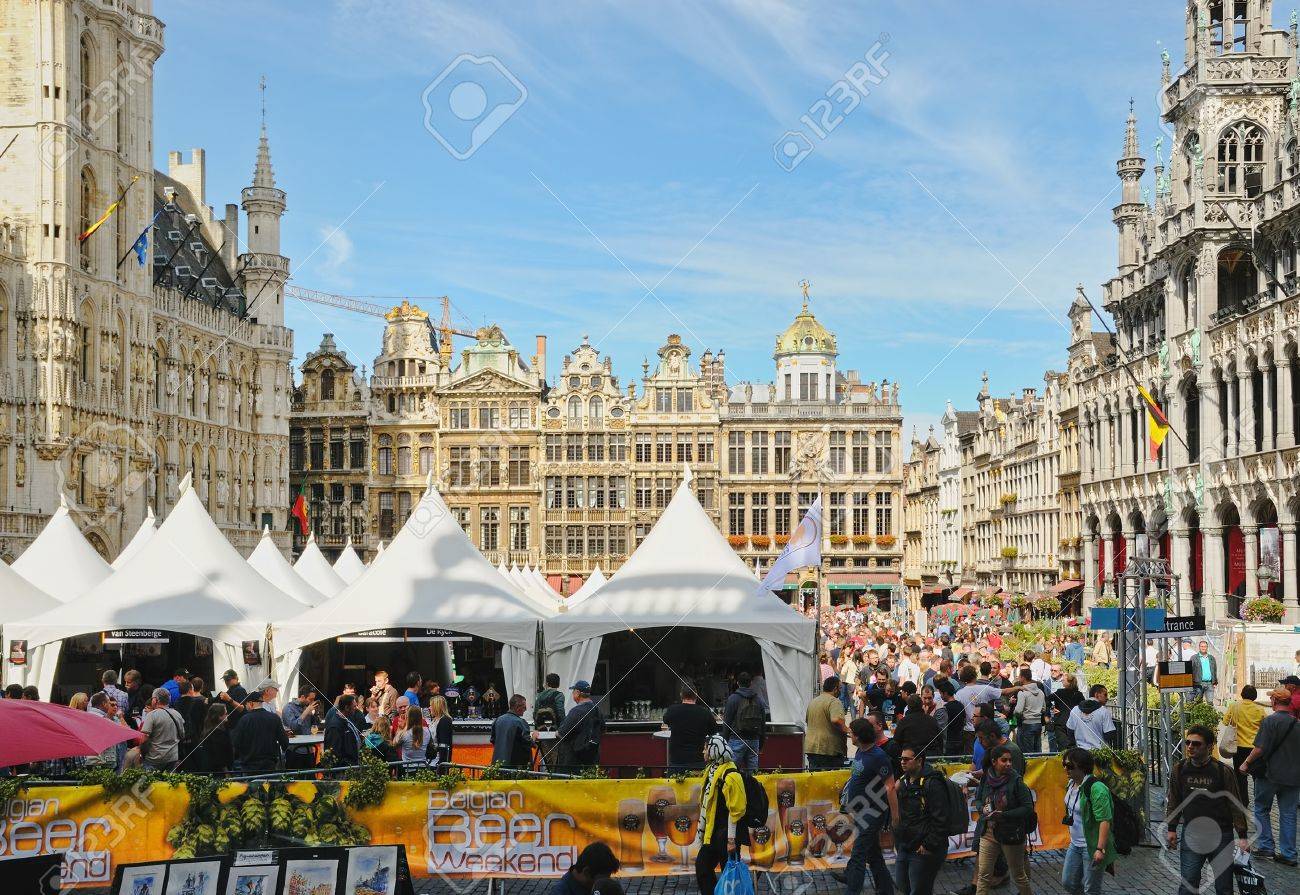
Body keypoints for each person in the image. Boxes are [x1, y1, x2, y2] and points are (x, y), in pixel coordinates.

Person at [1167, 724, 1249, 894]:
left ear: (1210, 746)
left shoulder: (1222, 771)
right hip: (1192, 834)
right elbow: (1174, 799)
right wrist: (1171, 828)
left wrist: (1242, 836)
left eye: (1196, 744)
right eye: (1188, 742)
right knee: (1188, 883)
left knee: (1224, 886)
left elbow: (1235, 804)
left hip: (1222, 835)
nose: (1190, 747)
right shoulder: (1180, 769)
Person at [1238, 686, 1300, 866]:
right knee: (1288, 814)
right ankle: (1289, 853)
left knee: (1261, 809)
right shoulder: (1297, 724)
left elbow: (1260, 748)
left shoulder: (1270, 722)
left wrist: (1246, 762)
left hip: (1269, 775)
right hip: (1293, 777)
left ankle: (1266, 846)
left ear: (1274, 701)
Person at [842, 718, 897, 895]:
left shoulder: (878, 757)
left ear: (858, 736)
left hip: (872, 812)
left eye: (851, 732)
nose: (849, 734)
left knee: (858, 856)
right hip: (860, 812)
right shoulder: (860, 751)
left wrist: (895, 816)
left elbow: (890, 786)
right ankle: (886, 890)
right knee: (874, 856)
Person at [972, 745, 1034, 895]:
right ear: (994, 762)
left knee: (1019, 876)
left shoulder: (1016, 781)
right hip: (988, 832)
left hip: (1010, 833)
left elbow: (1027, 808)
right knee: (984, 875)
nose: (1008, 764)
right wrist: (982, 809)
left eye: (1010, 760)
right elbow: (979, 799)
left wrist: (1004, 815)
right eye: (1004, 760)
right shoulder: (986, 778)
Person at [695, 735, 748, 895]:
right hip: (712, 833)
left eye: (705, 748)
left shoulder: (731, 775)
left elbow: (736, 810)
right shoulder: (712, 770)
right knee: (702, 868)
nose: (703, 751)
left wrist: (731, 840)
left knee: (730, 876)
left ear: (714, 750)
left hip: (726, 835)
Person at [894, 746, 950, 895]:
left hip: (923, 849)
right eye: (901, 759)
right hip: (905, 845)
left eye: (907, 759)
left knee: (919, 891)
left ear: (919, 761)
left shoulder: (933, 783)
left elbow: (941, 819)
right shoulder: (904, 781)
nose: (902, 762)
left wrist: (928, 845)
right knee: (902, 886)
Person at [1060, 747, 1116, 895]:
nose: (1066, 769)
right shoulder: (1071, 784)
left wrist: (1100, 849)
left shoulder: (1097, 789)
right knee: (1068, 882)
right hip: (1075, 844)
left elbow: (1104, 820)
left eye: (1070, 766)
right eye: (1064, 765)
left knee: (1091, 889)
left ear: (1082, 767)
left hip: (1091, 846)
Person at [1221, 685, 1267, 802]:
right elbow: (1266, 726)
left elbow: (1225, 721)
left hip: (1239, 747)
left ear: (1242, 694)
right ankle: (1259, 800)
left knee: (1240, 776)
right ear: (1255, 696)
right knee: (1257, 776)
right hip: (1255, 748)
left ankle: (1243, 801)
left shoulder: (1234, 706)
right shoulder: (1259, 710)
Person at [662, 684, 717, 773]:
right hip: (698, 760)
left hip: (677, 760)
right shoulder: (705, 712)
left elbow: (666, 720)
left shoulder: (672, 710)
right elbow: (713, 732)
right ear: (696, 695)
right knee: (697, 787)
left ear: (681, 695)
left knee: (675, 786)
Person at [231, 688, 289, 772]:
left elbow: (236, 742)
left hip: (249, 766)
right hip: (270, 765)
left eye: (246, 704)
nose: (245, 707)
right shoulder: (274, 718)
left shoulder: (244, 720)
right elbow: (284, 742)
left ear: (250, 703)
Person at [722, 671, 767, 771]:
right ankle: (752, 787)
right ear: (750, 683)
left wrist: (724, 742)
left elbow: (727, 723)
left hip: (736, 738)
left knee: (732, 771)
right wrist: (761, 743)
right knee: (753, 773)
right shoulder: (758, 700)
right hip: (754, 740)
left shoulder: (733, 699)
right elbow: (763, 724)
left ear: (737, 683)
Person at [555, 680, 602, 769]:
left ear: (578, 693)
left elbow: (561, 734)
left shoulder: (576, 711)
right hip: (592, 758)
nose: (572, 694)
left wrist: (555, 732)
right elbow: (603, 730)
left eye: (573, 691)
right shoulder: (598, 710)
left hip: (574, 761)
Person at [805, 676, 849, 770]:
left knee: (816, 779)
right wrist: (848, 730)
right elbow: (836, 719)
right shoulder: (834, 702)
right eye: (840, 688)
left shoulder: (814, 701)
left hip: (812, 748)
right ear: (835, 689)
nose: (841, 691)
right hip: (828, 750)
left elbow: (808, 721)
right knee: (830, 781)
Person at [137, 688, 186, 770]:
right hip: (172, 758)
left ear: (155, 700)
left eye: (152, 698)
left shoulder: (152, 715)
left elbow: (144, 738)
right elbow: (182, 735)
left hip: (154, 759)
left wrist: (141, 754)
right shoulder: (177, 714)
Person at [550, 842, 620, 895]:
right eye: (600, 880)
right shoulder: (560, 892)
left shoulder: (604, 889)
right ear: (586, 872)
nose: (605, 883)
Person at [491, 695, 537, 769]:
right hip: (515, 767)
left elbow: (493, 740)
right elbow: (527, 743)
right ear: (517, 707)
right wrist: (534, 737)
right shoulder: (520, 722)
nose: (525, 709)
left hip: (497, 764)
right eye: (524, 707)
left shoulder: (498, 720)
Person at [1066, 685, 1116, 750]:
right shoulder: (1103, 711)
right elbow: (1110, 734)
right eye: (1105, 695)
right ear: (1097, 694)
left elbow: (1070, 731)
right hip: (1099, 753)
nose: (1107, 698)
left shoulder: (1075, 710)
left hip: (1080, 752)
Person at [893, 694, 941, 760]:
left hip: (911, 758)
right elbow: (940, 739)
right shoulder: (932, 720)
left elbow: (896, 740)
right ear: (922, 705)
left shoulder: (904, 721)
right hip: (931, 757)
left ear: (908, 706)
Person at [189, 703, 234, 773]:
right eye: (225, 713)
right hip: (219, 771)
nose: (227, 715)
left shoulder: (208, 730)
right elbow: (220, 756)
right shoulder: (218, 734)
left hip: (210, 769)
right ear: (219, 716)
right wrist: (226, 771)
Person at [1011, 668, 1045, 754]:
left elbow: (1018, 711)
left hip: (1026, 724)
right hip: (1038, 724)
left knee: (1027, 752)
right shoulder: (1040, 692)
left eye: (1019, 676)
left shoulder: (1022, 692)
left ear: (1023, 678)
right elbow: (1044, 708)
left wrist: (1015, 714)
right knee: (1037, 750)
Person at [1048, 674, 1084, 751]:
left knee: (1062, 747)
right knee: (1073, 746)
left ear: (1069, 682)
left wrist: (1051, 707)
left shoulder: (1060, 692)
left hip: (1062, 722)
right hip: (1074, 722)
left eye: (1063, 680)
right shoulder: (1079, 694)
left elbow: (1047, 699)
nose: (1062, 681)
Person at [324, 693, 362, 766]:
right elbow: (334, 752)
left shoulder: (348, 719)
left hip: (352, 765)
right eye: (354, 706)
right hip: (344, 770)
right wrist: (347, 764)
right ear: (347, 707)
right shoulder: (335, 726)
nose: (356, 708)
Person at [84, 692, 120, 769]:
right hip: (100, 763)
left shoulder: (85, 717)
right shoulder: (103, 721)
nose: (110, 706)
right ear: (104, 704)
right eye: (109, 703)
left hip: (88, 761)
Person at [427, 694, 454, 766]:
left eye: (431, 705)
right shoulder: (435, 719)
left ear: (437, 706)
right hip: (431, 759)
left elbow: (444, 744)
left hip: (438, 761)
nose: (429, 708)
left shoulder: (445, 720)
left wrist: (441, 763)